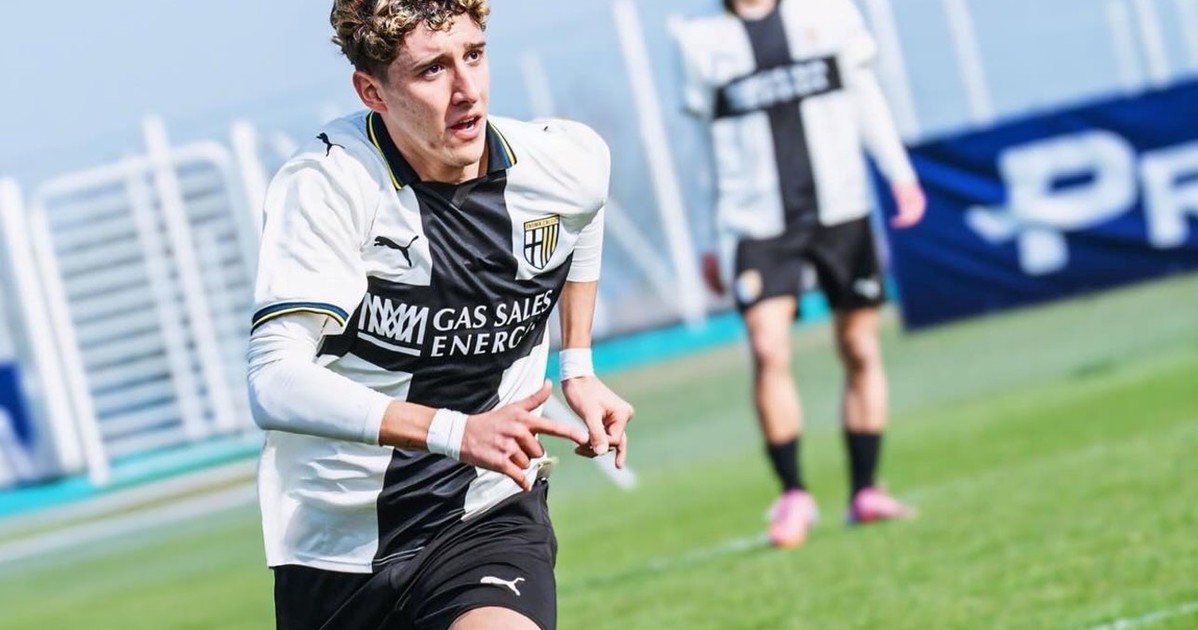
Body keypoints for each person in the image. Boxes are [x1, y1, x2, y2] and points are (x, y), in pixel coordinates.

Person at [245, 1, 634, 628]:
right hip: (334, 543)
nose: (466, 90)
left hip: (484, 514)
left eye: (473, 56)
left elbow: (586, 206)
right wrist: (456, 431)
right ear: (372, 91)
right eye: (432, 70)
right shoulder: (328, 186)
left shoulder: (560, 163)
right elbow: (273, 380)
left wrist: (579, 365)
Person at [673, 0, 926, 548]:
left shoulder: (829, 13)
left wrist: (900, 174)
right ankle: (793, 493)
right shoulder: (699, 40)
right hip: (755, 224)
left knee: (860, 346)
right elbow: (701, 147)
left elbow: (865, 95)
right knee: (768, 349)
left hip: (841, 210)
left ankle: (865, 489)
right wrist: (706, 238)